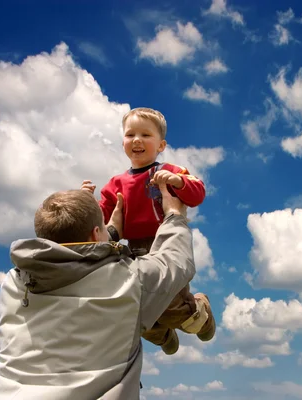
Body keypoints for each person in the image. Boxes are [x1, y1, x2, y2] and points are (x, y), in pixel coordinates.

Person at [0, 184, 199, 400]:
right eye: (102, 227)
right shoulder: (129, 281)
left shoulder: (13, 283)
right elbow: (176, 261)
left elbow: (67, 260)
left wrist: (108, 231)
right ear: (95, 234)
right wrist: (174, 214)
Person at [81, 107, 216, 356]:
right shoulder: (115, 184)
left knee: (172, 305)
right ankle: (164, 336)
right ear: (123, 141)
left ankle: (201, 313)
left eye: (145, 135)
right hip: (133, 249)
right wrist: (86, 202)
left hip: (166, 244)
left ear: (161, 145)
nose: (137, 140)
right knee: (135, 306)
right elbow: (101, 220)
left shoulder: (168, 171)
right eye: (130, 134)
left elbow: (198, 192)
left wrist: (178, 182)